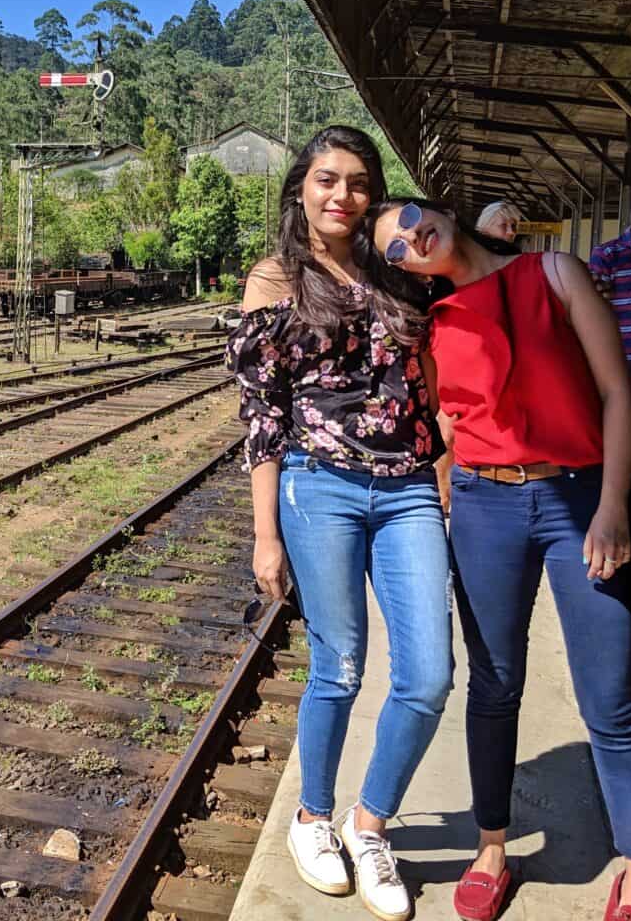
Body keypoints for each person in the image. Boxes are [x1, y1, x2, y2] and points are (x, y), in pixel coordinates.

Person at [365, 197, 631, 921]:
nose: (408, 239)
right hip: (485, 508)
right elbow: (443, 419)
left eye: (405, 219)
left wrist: (614, 506)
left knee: (608, 696)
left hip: (580, 493)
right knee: (492, 685)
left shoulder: (555, 272)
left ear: (433, 211)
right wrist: (443, 494)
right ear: (401, 271)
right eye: (393, 250)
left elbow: (618, 390)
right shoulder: (431, 322)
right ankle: (490, 846)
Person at [225, 127, 453, 921]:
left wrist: (449, 473)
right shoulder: (273, 278)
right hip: (316, 487)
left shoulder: (396, 271)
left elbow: (432, 382)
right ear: (300, 187)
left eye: (358, 183)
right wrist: (264, 535)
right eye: (327, 180)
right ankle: (312, 818)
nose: (341, 196)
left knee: (427, 676)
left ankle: (369, 825)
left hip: (407, 489)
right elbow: (262, 415)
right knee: (341, 665)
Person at [589, 174, 631, 592]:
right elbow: (592, 315)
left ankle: (621, 553)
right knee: (624, 471)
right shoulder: (608, 255)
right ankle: (615, 553)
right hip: (620, 381)